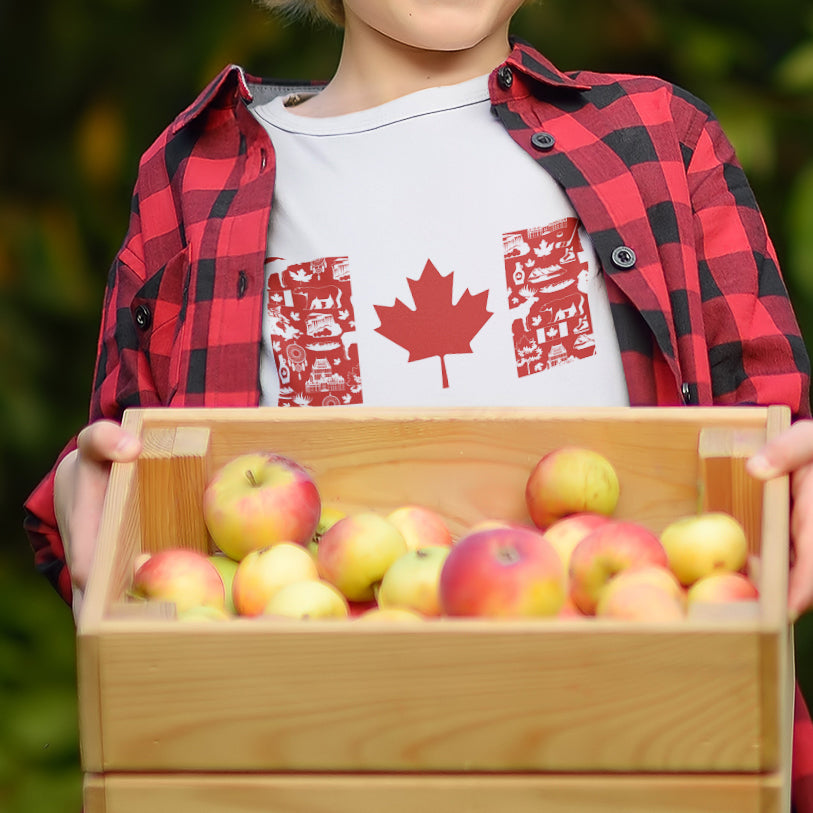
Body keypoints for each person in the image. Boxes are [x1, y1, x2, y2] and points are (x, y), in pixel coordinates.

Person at [21, 0, 813, 807]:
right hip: (314, 757)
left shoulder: (657, 139)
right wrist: (94, 493)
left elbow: (776, 430)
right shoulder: (194, 174)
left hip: (645, 743)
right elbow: (133, 481)